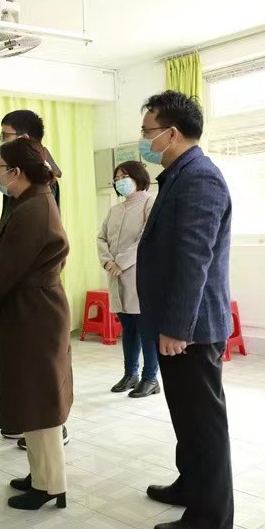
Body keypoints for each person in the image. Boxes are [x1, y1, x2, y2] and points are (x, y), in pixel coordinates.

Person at [136, 90, 233, 529]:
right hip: (178, 323)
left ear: (171, 133)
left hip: (191, 328)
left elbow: (194, 258)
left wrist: (177, 328)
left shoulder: (200, 178)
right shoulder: (178, 174)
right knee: (186, 417)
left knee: (203, 423)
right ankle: (190, 484)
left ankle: (211, 521)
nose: (143, 139)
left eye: (148, 131)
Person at [0, 137, 72, 511]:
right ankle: (40, 475)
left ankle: (51, 486)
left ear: (16, 171)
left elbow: (6, 267)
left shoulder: (33, 209)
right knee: (32, 397)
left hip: (36, 314)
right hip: (31, 309)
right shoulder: (31, 201)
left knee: (41, 401)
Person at [0, 110, 69, 449]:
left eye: (6, 135)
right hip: (21, 284)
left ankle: (52, 431)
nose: (1, 141)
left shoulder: (42, 178)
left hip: (36, 287)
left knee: (42, 369)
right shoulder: (17, 173)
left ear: (25, 138)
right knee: (26, 368)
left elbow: (40, 240)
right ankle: (28, 424)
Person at [97, 161, 159, 398]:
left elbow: (146, 239)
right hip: (115, 276)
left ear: (138, 177)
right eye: (116, 178)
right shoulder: (115, 210)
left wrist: (121, 262)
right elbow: (101, 238)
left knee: (146, 330)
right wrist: (107, 261)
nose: (119, 181)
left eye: (124, 176)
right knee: (128, 329)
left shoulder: (150, 204)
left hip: (139, 276)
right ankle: (130, 374)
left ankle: (150, 378)